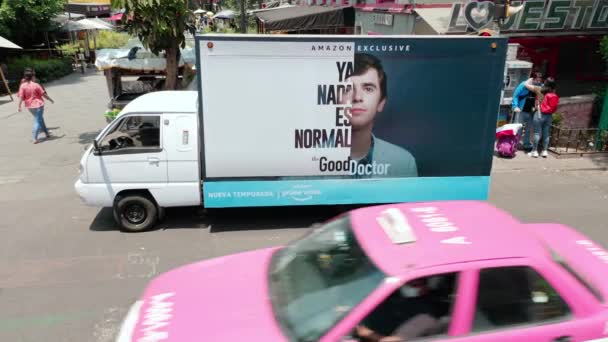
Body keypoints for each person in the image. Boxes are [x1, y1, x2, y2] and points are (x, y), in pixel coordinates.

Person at [340, 53, 418, 178]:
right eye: (346, 89)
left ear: (381, 103)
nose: (357, 97)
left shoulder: (404, 163)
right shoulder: (304, 159)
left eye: (368, 89)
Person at [525, 77, 559, 158]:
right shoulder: (553, 92)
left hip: (540, 113)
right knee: (546, 133)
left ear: (545, 83)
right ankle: (544, 151)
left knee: (537, 133)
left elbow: (526, 85)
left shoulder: (539, 89)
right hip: (549, 115)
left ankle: (534, 151)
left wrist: (530, 78)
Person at [17, 69, 54, 144]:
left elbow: (21, 96)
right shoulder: (36, 85)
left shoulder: (22, 86)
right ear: (32, 77)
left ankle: (46, 133)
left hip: (30, 106)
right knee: (37, 120)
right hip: (38, 106)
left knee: (40, 118)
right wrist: (50, 99)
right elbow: (43, 94)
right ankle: (35, 138)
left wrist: (19, 106)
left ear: (25, 77)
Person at [512, 72, 543, 151]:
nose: (538, 82)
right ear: (533, 79)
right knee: (518, 128)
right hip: (521, 110)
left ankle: (526, 144)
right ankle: (515, 143)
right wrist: (515, 106)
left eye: (539, 81)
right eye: (537, 80)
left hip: (531, 111)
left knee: (528, 129)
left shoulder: (540, 86)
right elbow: (516, 95)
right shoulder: (523, 84)